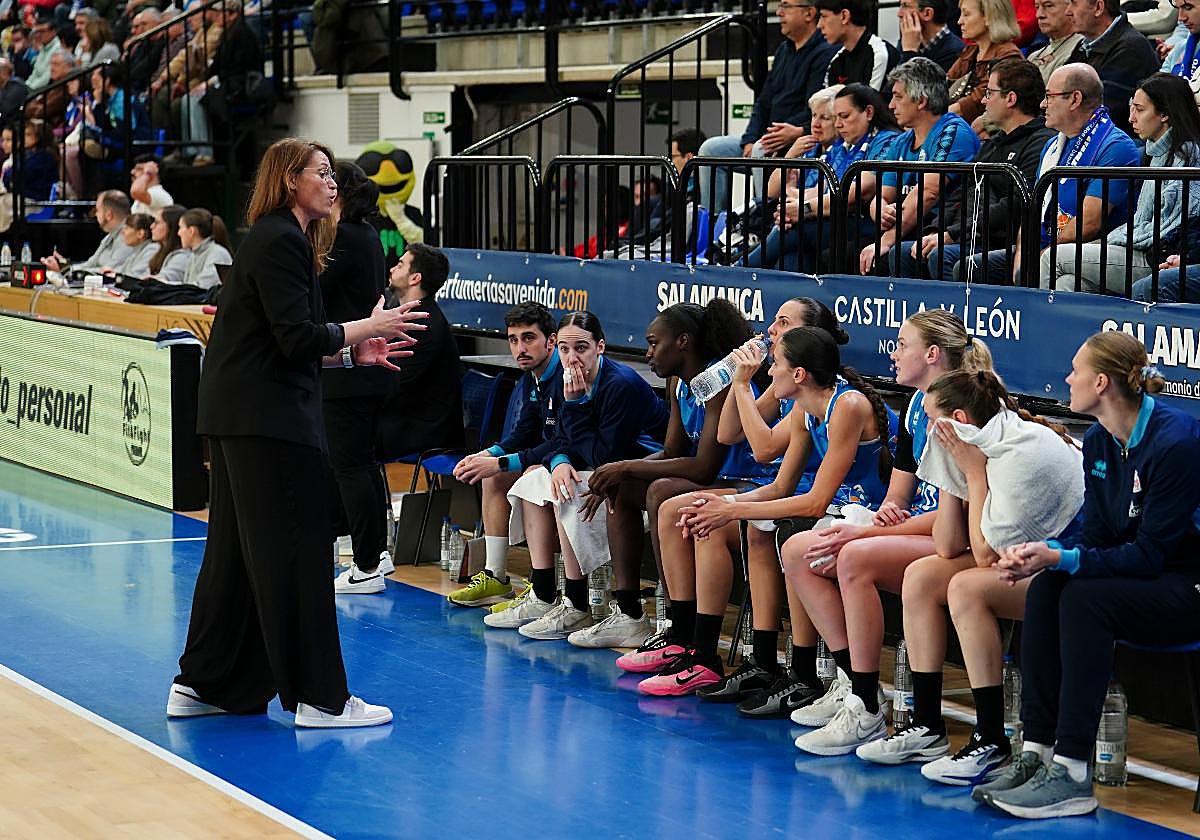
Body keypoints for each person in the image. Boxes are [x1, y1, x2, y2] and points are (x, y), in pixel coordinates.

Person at [170, 137, 428, 729]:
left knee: (234, 557)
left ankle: (204, 683)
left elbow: (286, 343)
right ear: (290, 180)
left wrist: (349, 357)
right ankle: (319, 698)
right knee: (300, 553)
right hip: (268, 422)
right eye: (320, 172)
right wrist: (371, 324)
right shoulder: (281, 239)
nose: (333, 182)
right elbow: (296, 337)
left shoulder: (280, 239)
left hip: (243, 415)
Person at [978, 331, 1200, 819]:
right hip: (1147, 575)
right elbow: (1099, 536)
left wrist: (1063, 559)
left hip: (1187, 585)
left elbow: (1151, 556)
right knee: (1050, 586)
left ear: (1101, 383)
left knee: (1083, 598)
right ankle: (1035, 752)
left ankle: (1073, 770)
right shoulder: (1099, 441)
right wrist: (1044, 554)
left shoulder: (1175, 441)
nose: (1066, 378)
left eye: (1075, 370)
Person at [637, 326, 895, 698]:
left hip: (864, 511)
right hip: (835, 508)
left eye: (776, 364)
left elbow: (813, 501)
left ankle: (846, 682)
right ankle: (758, 660)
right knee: (747, 521)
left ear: (800, 374)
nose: (769, 371)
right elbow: (779, 487)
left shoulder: (847, 405)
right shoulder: (809, 408)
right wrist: (725, 506)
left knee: (789, 536)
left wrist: (732, 511)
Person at [779, 310, 992, 753]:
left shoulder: (961, 409)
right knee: (800, 548)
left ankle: (866, 707)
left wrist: (864, 536)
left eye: (901, 344)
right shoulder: (916, 404)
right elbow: (901, 489)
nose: (892, 353)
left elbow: (955, 514)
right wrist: (885, 514)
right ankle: (852, 684)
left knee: (853, 556)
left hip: (959, 537)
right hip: (922, 529)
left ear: (932, 354)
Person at [855, 369, 1083, 781]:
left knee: (966, 587)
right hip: (1023, 558)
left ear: (958, 420)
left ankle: (991, 738)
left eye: (931, 419)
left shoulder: (1020, 452)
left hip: (1071, 565)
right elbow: (947, 545)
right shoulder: (977, 442)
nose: (926, 429)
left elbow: (982, 555)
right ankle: (926, 725)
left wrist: (972, 474)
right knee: (922, 575)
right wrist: (953, 474)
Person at [568, 299, 759, 650]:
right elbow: (672, 452)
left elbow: (704, 467)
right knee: (623, 489)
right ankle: (628, 613)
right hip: (718, 479)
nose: (648, 352)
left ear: (683, 342)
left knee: (661, 491)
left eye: (655, 342)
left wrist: (625, 465)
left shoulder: (719, 380)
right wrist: (617, 474)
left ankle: (675, 616)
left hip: (747, 480)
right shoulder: (678, 383)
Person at [485, 311, 669, 640]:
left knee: (565, 490)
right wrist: (557, 461)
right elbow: (561, 440)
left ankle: (578, 603)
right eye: (566, 350)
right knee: (535, 479)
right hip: (606, 468)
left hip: (645, 470)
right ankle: (544, 595)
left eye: (581, 348)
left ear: (600, 347)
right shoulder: (565, 378)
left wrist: (576, 405)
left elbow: (605, 456)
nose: (573, 357)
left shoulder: (619, 384)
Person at [315, 161, 399, 596]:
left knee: (351, 467)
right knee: (356, 465)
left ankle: (366, 564)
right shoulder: (363, 234)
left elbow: (314, 290)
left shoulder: (346, 237)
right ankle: (372, 553)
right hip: (358, 366)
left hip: (351, 366)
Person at [449, 302, 562, 608]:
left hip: (581, 458)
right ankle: (495, 576)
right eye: (513, 340)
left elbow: (560, 442)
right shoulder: (531, 376)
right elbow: (524, 432)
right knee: (494, 477)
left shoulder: (566, 375)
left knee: (529, 477)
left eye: (529, 338)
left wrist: (500, 461)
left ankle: (545, 586)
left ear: (551, 341)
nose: (520, 348)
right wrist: (487, 455)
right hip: (555, 455)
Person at [904, 58, 1053, 281]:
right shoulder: (994, 143)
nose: (983, 101)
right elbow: (961, 194)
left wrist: (951, 235)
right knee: (903, 253)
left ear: (1010, 99)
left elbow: (1015, 203)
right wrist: (935, 231)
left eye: (989, 93)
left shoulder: (1041, 142)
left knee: (941, 256)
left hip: (998, 240)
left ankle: (950, 317)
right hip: (968, 234)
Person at [1049, 73, 1200, 293]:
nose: (1131, 118)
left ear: (1165, 114)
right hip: (1138, 247)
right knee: (1068, 283)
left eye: (1139, 110)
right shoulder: (1155, 153)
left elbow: (1171, 227)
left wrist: (1116, 240)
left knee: (1055, 257)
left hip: (1157, 257)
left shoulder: (1187, 157)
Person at [696, 0, 836, 213]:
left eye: (786, 6)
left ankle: (762, 223)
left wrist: (795, 131)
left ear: (809, 13)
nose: (779, 13)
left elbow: (817, 107)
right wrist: (749, 138)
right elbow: (763, 101)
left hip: (798, 136)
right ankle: (714, 227)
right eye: (780, 6)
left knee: (763, 148)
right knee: (711, 149)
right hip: (769, 137)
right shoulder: (783, 50)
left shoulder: (825, 52)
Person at [859, 57, 980, 276]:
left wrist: (885, 240)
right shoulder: (902, 140)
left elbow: (929, 192)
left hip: (940, 227)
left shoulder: (952, 132)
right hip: (908, 227)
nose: (890, 105)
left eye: (898, 97)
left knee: (886, 256)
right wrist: (881, 210)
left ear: (921, 101)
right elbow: (882, 194)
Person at [1034, 64, 1142, 287]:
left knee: (1063, 279)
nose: (1043, 104)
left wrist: (1043, 253)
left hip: (1098, 249)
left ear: (1075, 99)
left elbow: (1089, 223)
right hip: (1050, 243)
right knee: (973, 265)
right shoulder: (1051, 147)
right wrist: (1023, 255)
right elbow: (1034, 209)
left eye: (1049, 96)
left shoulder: (1115, 146)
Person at [743, 84, 846, 270]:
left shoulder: (843, 149)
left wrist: (792, 195)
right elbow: (771, 191)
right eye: (814, 116)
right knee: (788, 261)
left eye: (825, 118)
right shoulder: (807, 146)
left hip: (822, 222)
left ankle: (741, 267)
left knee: (788, 231)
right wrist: (790, 155)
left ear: (838, 121)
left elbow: (823, 191)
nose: (815, 123)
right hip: (796, 219)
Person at [375, 242, 463, 458]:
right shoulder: (410, 314)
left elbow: (393, 382)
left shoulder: (423, 323)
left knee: (343, 426)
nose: (392, 269)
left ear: (415, 278)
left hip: (422, 429)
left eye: (400, 264)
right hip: (407, 417)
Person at [1065, 0, 1160, 135]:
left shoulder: (1130, 48)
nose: (1067, 12)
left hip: (1116, 141)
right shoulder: (1084, 46)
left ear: (1098, 7)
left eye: (1074, 3)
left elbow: (1104, 115)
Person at [943, 0, 1022, 125]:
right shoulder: (971, 51)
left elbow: (979, 100)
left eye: (966, 14)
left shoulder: (1009, 56)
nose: (959, 21)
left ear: (989, 17)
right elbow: (944, 85)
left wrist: (935, 118)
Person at [41, 189, 133, 274]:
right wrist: (65, 267)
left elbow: (108, 272)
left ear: (109, 215)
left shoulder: (128, 237)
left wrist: (66, 271)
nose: (95, 215)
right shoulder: (110, 236)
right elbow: (90, 264)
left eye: (97, 210)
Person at [820, 0, 901, 91]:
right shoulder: (836, 60)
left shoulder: (878, 53)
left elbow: (870, 102)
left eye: (824, 16)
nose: (819, 25)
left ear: (844, 16)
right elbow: (826, 103)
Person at [896, 0, 965, 72]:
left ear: (927, 13)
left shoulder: (954, 53)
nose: (899, 14)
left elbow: (909, 82)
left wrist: (909, 52)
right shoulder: (909, 39)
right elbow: (892, 81)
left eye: (905, 6)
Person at [1026, 0, 1083, 83]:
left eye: (1049, 6)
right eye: (1037, 7)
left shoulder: (1082, 50)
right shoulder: (1032, 57)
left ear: (1070, 7)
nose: (1039, 15)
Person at [175, 207, 233, 289]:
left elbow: (202, 287)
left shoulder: (218, 254)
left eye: (180, 227)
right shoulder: (194, 255)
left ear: (191, 231)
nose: (178, 233)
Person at [1164, 0, 1200, 106]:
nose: (1181, 17)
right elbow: (1158, 91)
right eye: (1178, 8)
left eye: (1188, 7)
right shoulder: (1180, 47)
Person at [101, 211, 157, 278]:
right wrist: (113, 272)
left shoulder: (152, 250)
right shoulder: (137, 249)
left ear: (140, 233)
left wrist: (116, 275)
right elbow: (125, 270)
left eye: (126, 228)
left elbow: (135, 275)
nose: (122, 232)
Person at [144, 203, 188, 282]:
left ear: (171, 226)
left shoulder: (183, 256)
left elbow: (162, 281)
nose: (151, 226)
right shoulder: (158, 250)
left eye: (157, 222)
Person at [0, 58, 29, 127]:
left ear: (3, 73)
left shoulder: (17, 87)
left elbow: (4, 112)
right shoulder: (3, 86)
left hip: (12, 127)